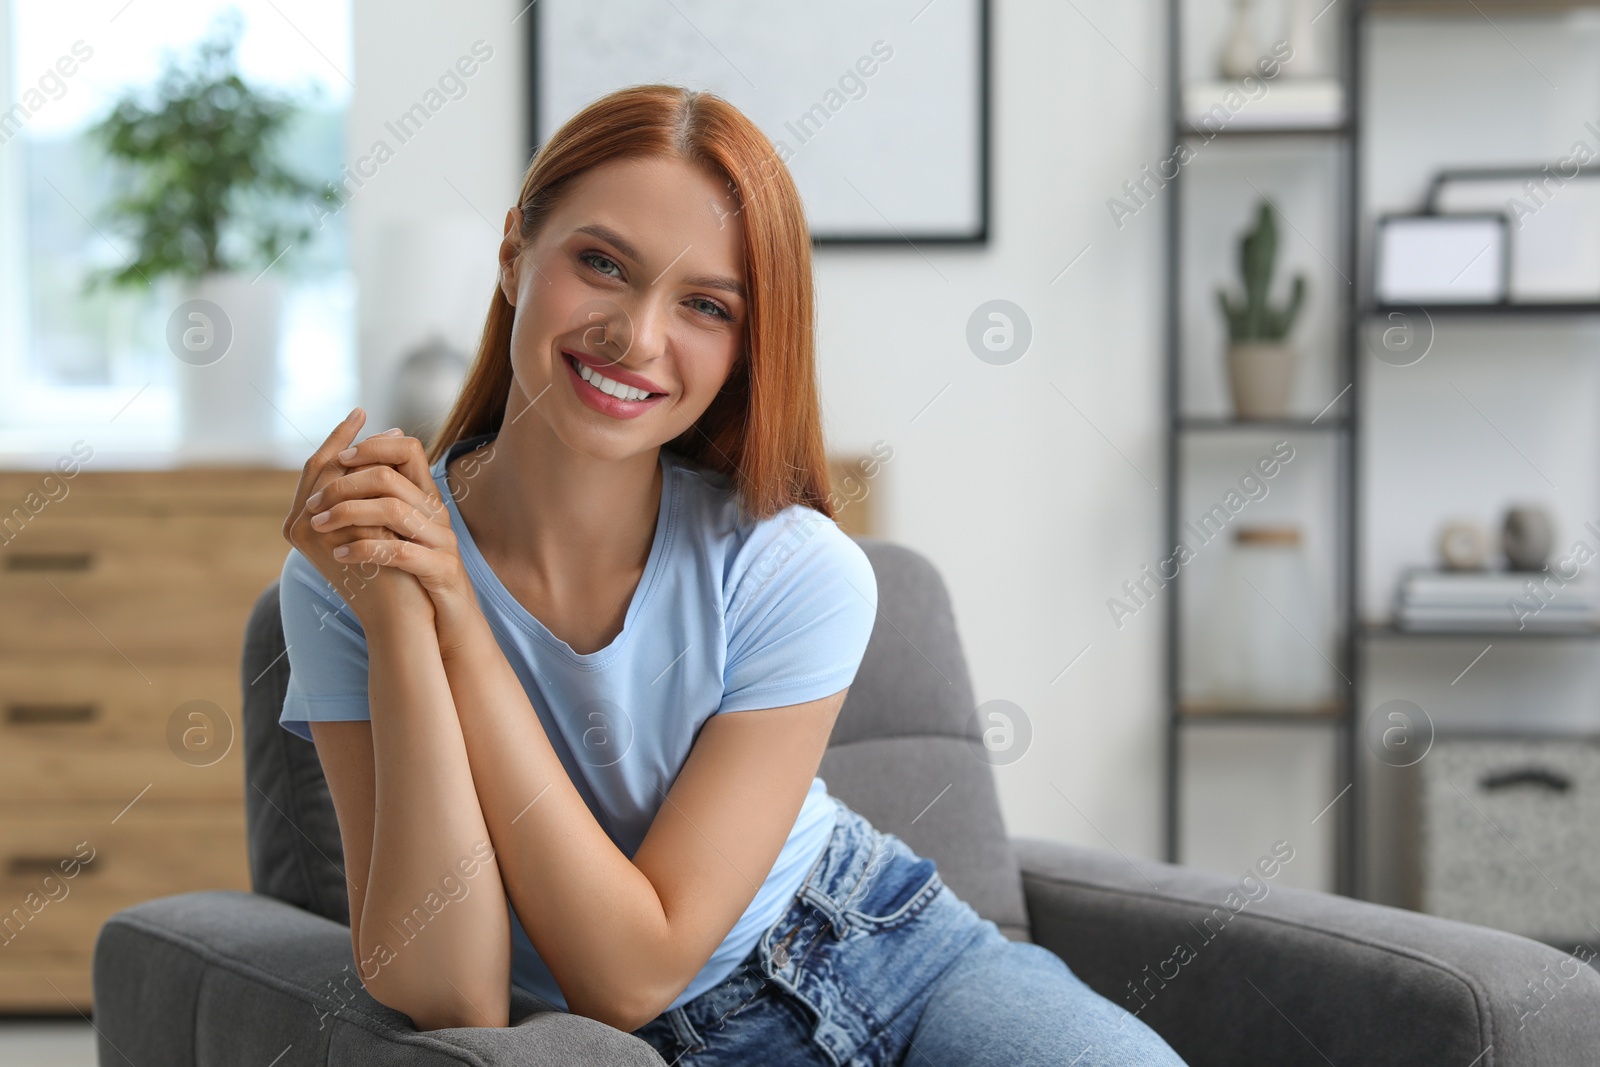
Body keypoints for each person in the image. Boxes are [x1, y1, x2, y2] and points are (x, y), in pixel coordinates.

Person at [278, 83, 1188, 1066]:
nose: (636, 336)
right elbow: (454, 985)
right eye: (600, 264)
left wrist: (459, 620)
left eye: (704, 305)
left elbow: (643, 953)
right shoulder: (358, 568)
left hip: (889, 956)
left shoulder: (791, 568)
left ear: (748, 346)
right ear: (513, 256)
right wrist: (410, 618)